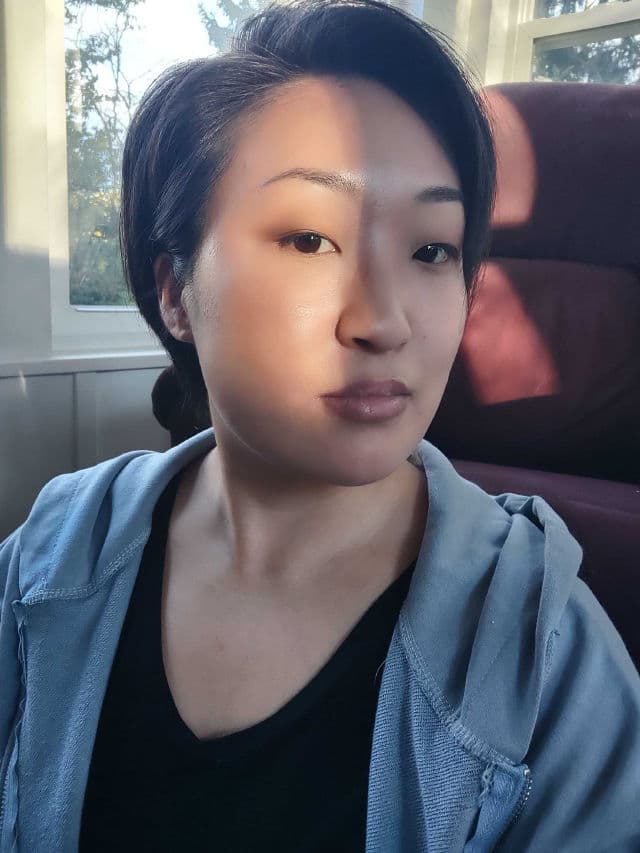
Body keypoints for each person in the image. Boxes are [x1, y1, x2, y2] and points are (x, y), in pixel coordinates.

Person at [1, 1, 639, 850]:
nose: (383, 321)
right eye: (309, 238)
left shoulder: (542, 651)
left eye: (432, 250)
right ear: (175, 291)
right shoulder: (49, 560)